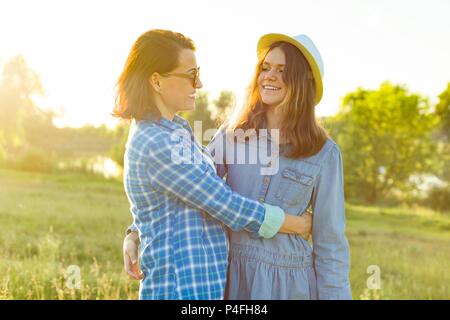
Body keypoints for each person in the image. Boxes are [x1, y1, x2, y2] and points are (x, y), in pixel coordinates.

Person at [114, 29, 312, 300]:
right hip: (180, 291)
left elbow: (177, 200)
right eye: (191, 75)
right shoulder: (156, 143)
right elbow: (225, 204)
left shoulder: (176, 131)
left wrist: (134, 231)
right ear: (156, 81)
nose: (200, 84)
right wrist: (297, 225)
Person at [209, 33, 352, 299]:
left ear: (302, 82)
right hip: (232, 275)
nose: (269, 76)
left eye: (283, 70)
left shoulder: (324, 152)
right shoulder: (232, 134)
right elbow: (194, 188)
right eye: (265, 68)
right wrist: (136, 230)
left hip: (291, 284)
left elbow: (331, 245)